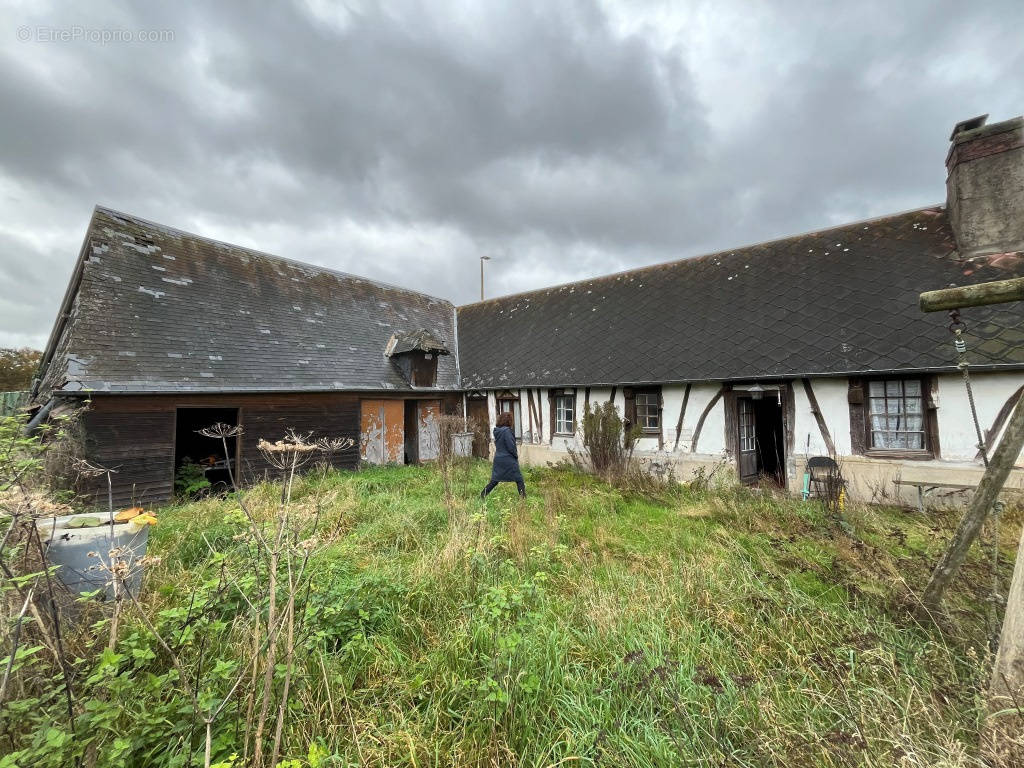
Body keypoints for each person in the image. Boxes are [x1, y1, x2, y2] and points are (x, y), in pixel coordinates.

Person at [480, 411, 526, 499]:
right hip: (508, 459)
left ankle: (482, 495)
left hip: (498, 459)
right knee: (519, 479)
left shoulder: (497, 431)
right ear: (509, 421)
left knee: (495, 480)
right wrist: (515, 455)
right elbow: (511, 446)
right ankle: (523, 499)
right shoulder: (507, 431)